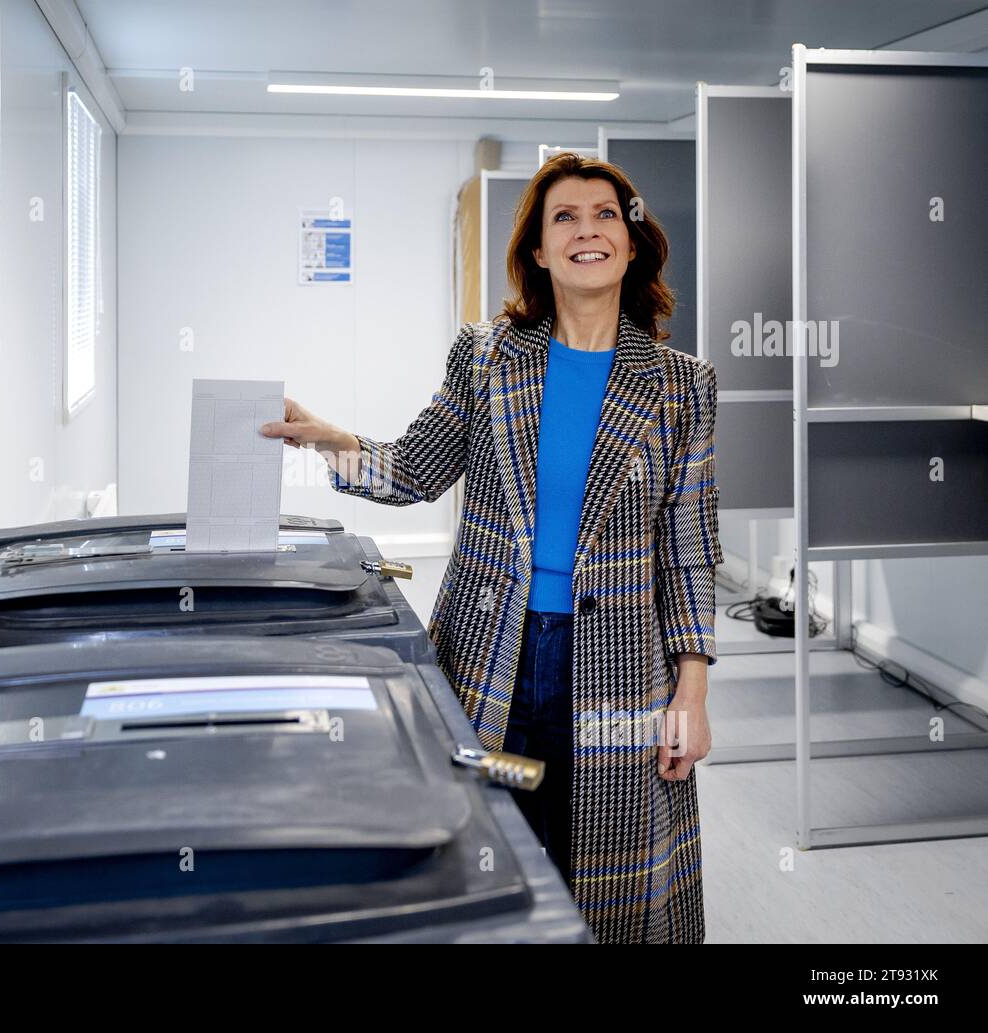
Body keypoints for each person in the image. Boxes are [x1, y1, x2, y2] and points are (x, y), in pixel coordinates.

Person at [260, 151, 723, 944]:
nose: (588, 230)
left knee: (607, 875)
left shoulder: (682, 384)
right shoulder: (486, 356)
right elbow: (413, 469)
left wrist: (692, 693)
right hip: (492, 649)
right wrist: (329, 441)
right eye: (565, 217)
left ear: (635, 240)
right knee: (489, 852)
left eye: (606, 215)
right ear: (538, 251)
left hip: (619, 664)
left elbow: (688, 548)